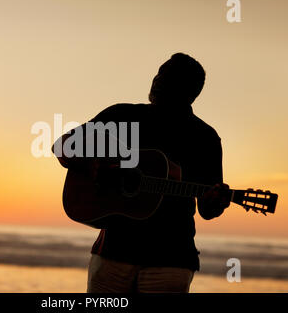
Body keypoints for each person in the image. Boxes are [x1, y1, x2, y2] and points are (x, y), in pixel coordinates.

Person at [53, 53, 230, 293]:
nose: (157, 80)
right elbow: (63, 146)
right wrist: (88, 166)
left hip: (171, 259)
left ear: (190, 92)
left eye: (168, 77)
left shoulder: (205, 138)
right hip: (113, 253)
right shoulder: (121, 116)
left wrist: (216, 201)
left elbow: (207, 210)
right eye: (159, 73)